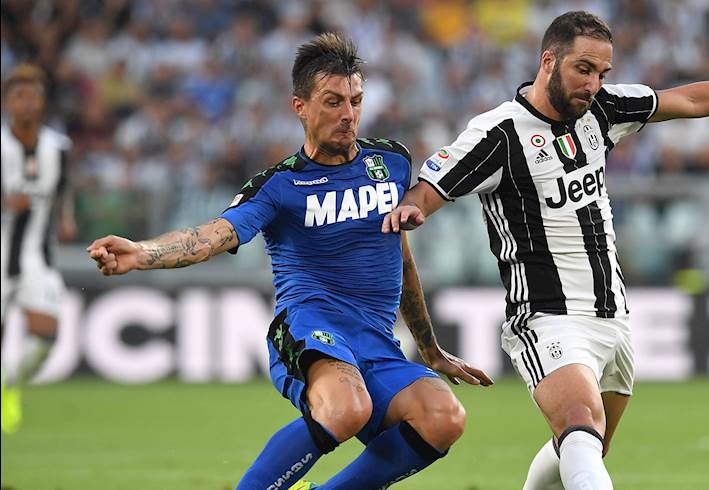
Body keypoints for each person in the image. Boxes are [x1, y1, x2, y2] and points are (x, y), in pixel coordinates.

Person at [382, 11, 709, 489]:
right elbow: (427, 190)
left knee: (586, 443)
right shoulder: (498, 134)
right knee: (580, 424)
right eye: (583, 69)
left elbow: (689, 98)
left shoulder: (602, 110)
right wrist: (412, 210)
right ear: (549, 61)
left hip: (613, 316)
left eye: (602, 73)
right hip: (546, 315)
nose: (594, 83)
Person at [87, 32, 492, 490]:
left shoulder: (392, 162)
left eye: (355, 101)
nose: (348, 114)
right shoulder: (279, 185)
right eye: (333, 101)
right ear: (299, 107)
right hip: (310, 328)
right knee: (346, 407)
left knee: (444, 416)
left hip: (375, 342)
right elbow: (216, 235)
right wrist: (143, 253)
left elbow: (401, 260)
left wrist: (431, 348)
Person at [1, 64, 77, 434]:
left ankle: (8, 385)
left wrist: (66, 217)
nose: (27, 103)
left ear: (43, 102)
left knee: (48, 337)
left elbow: (64, 189)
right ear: (7, 102)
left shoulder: (58, 148)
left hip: (36, 256)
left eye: (33, 96)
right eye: (20, 95)